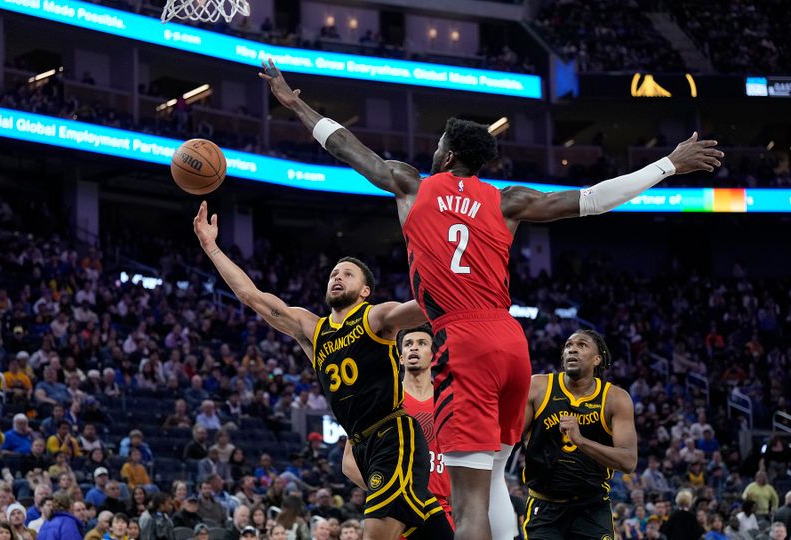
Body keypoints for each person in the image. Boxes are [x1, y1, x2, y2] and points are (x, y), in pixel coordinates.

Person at [259, 57, 723, 540]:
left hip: (463, 343)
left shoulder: (411, 185)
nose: (434, 147)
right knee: (494, 470)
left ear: (448, 152)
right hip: (510, 342)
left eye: (439, 141)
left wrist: (296, 105)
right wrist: (668, 164)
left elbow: (348, 149)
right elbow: (591, 199)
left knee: (468, 505)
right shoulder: (507, 200)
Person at [193, 204, 452, 540]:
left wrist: (455, 277)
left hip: (392, 433)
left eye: (347, 273)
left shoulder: (375, 318)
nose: (337, 277)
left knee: (376, 532)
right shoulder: (313, 331)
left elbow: (424, 309)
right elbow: (251, 297)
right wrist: (211, 247)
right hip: (363, 445)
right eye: (333, 273)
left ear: (364, 290)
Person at [521, 330, 638, 539]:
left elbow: (628, 461)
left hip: (592, 507)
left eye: (582, 345)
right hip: (545, 506)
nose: (572, 349)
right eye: (568, 345)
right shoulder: (538, 387)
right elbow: (508, 439)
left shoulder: (615, 399)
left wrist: (581, 441)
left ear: (597, 359)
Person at [398, 324, 452, 525]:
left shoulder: (449, 400)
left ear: (433, 355)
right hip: (395, 506)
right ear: (401, 357)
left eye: (422, 343)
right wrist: (382, 490)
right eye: (408, 344)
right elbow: (349, 463)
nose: (413, 348)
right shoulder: (385, 399)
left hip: (440, 507)